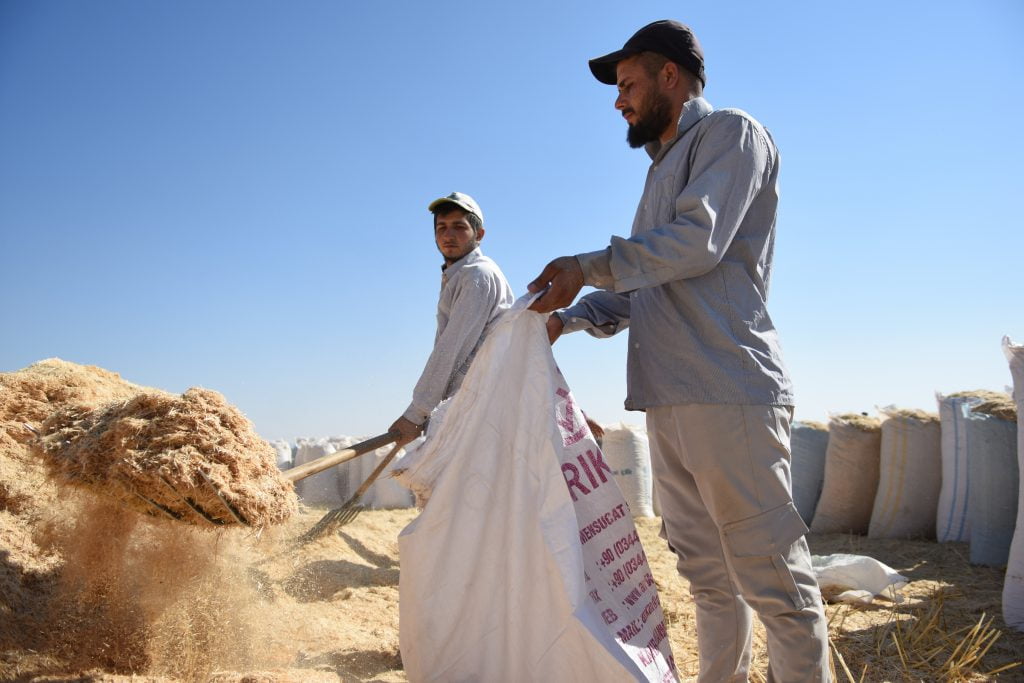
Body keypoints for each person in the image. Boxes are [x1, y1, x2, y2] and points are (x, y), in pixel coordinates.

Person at [527, 20, 830, 682]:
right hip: (667, 401)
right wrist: (568, 318)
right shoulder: (658, 174)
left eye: (628, 84)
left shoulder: (730, 135)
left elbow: (697, 245)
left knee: (773, 583)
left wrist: (589, 264)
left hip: (728, 392)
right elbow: (644, 290)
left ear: (671, 76)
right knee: (710, 582)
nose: (618, 101)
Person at [389, 192, 514, 448]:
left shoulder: (477, 275)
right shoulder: (458, 275)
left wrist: (417, 413)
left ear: (479, 234)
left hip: (478, 407)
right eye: (441, 228)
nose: (448, 235)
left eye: (459, 227)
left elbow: (452, 348)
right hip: (467, 404)